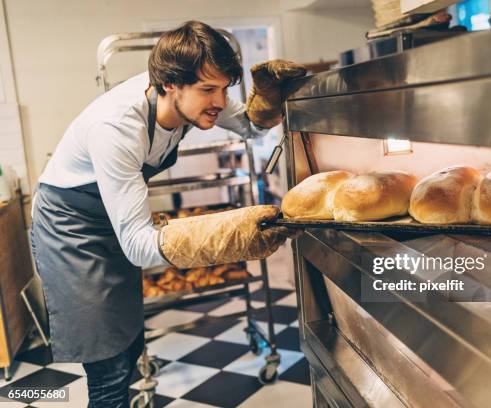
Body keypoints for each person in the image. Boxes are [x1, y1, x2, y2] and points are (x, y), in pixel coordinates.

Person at [30, 20, 305, 407]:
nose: (219, 101)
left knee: (127, 347)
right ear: (169, 84)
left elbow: (247, 126)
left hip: (112, 222)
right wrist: (228, 231)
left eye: (224, 89)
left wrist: (268, 103)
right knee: (107, 369)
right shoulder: (117, 128)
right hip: (71, 228)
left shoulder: (192, 95)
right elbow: (140, 247)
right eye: (208, 89)